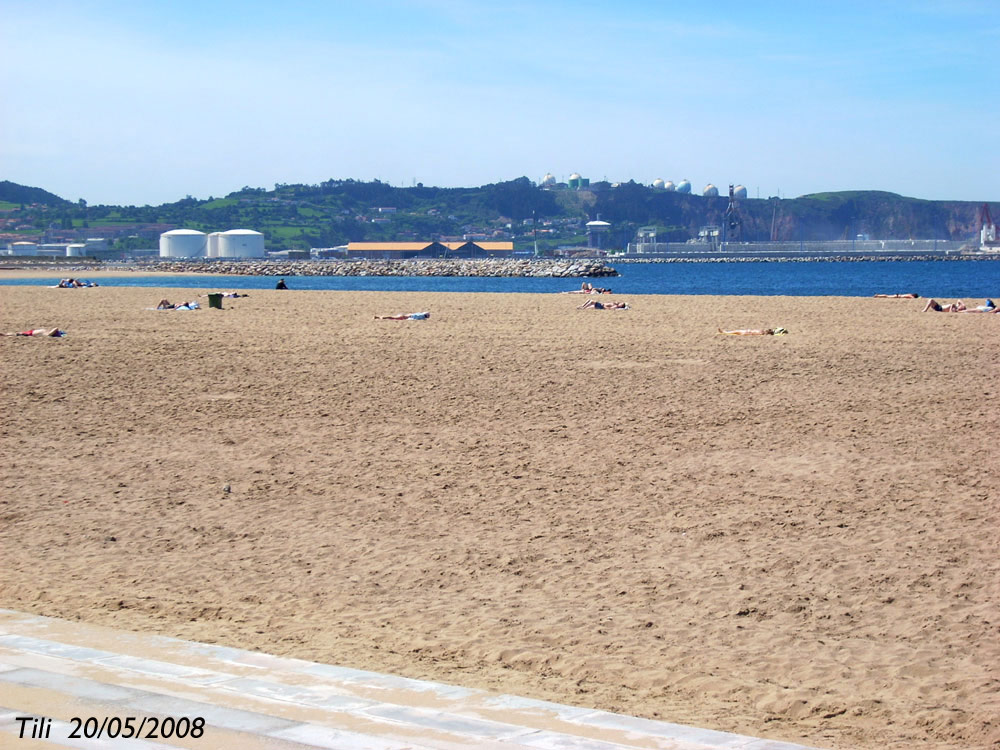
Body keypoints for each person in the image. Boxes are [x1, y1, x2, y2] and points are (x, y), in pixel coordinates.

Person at [718, 327, 788, 335]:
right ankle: (725, 332)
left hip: (748, 332)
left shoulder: (762, 332)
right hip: (749, 332)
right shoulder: (763, 332)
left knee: (738, 331)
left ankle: (725, 332)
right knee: (738, 331)